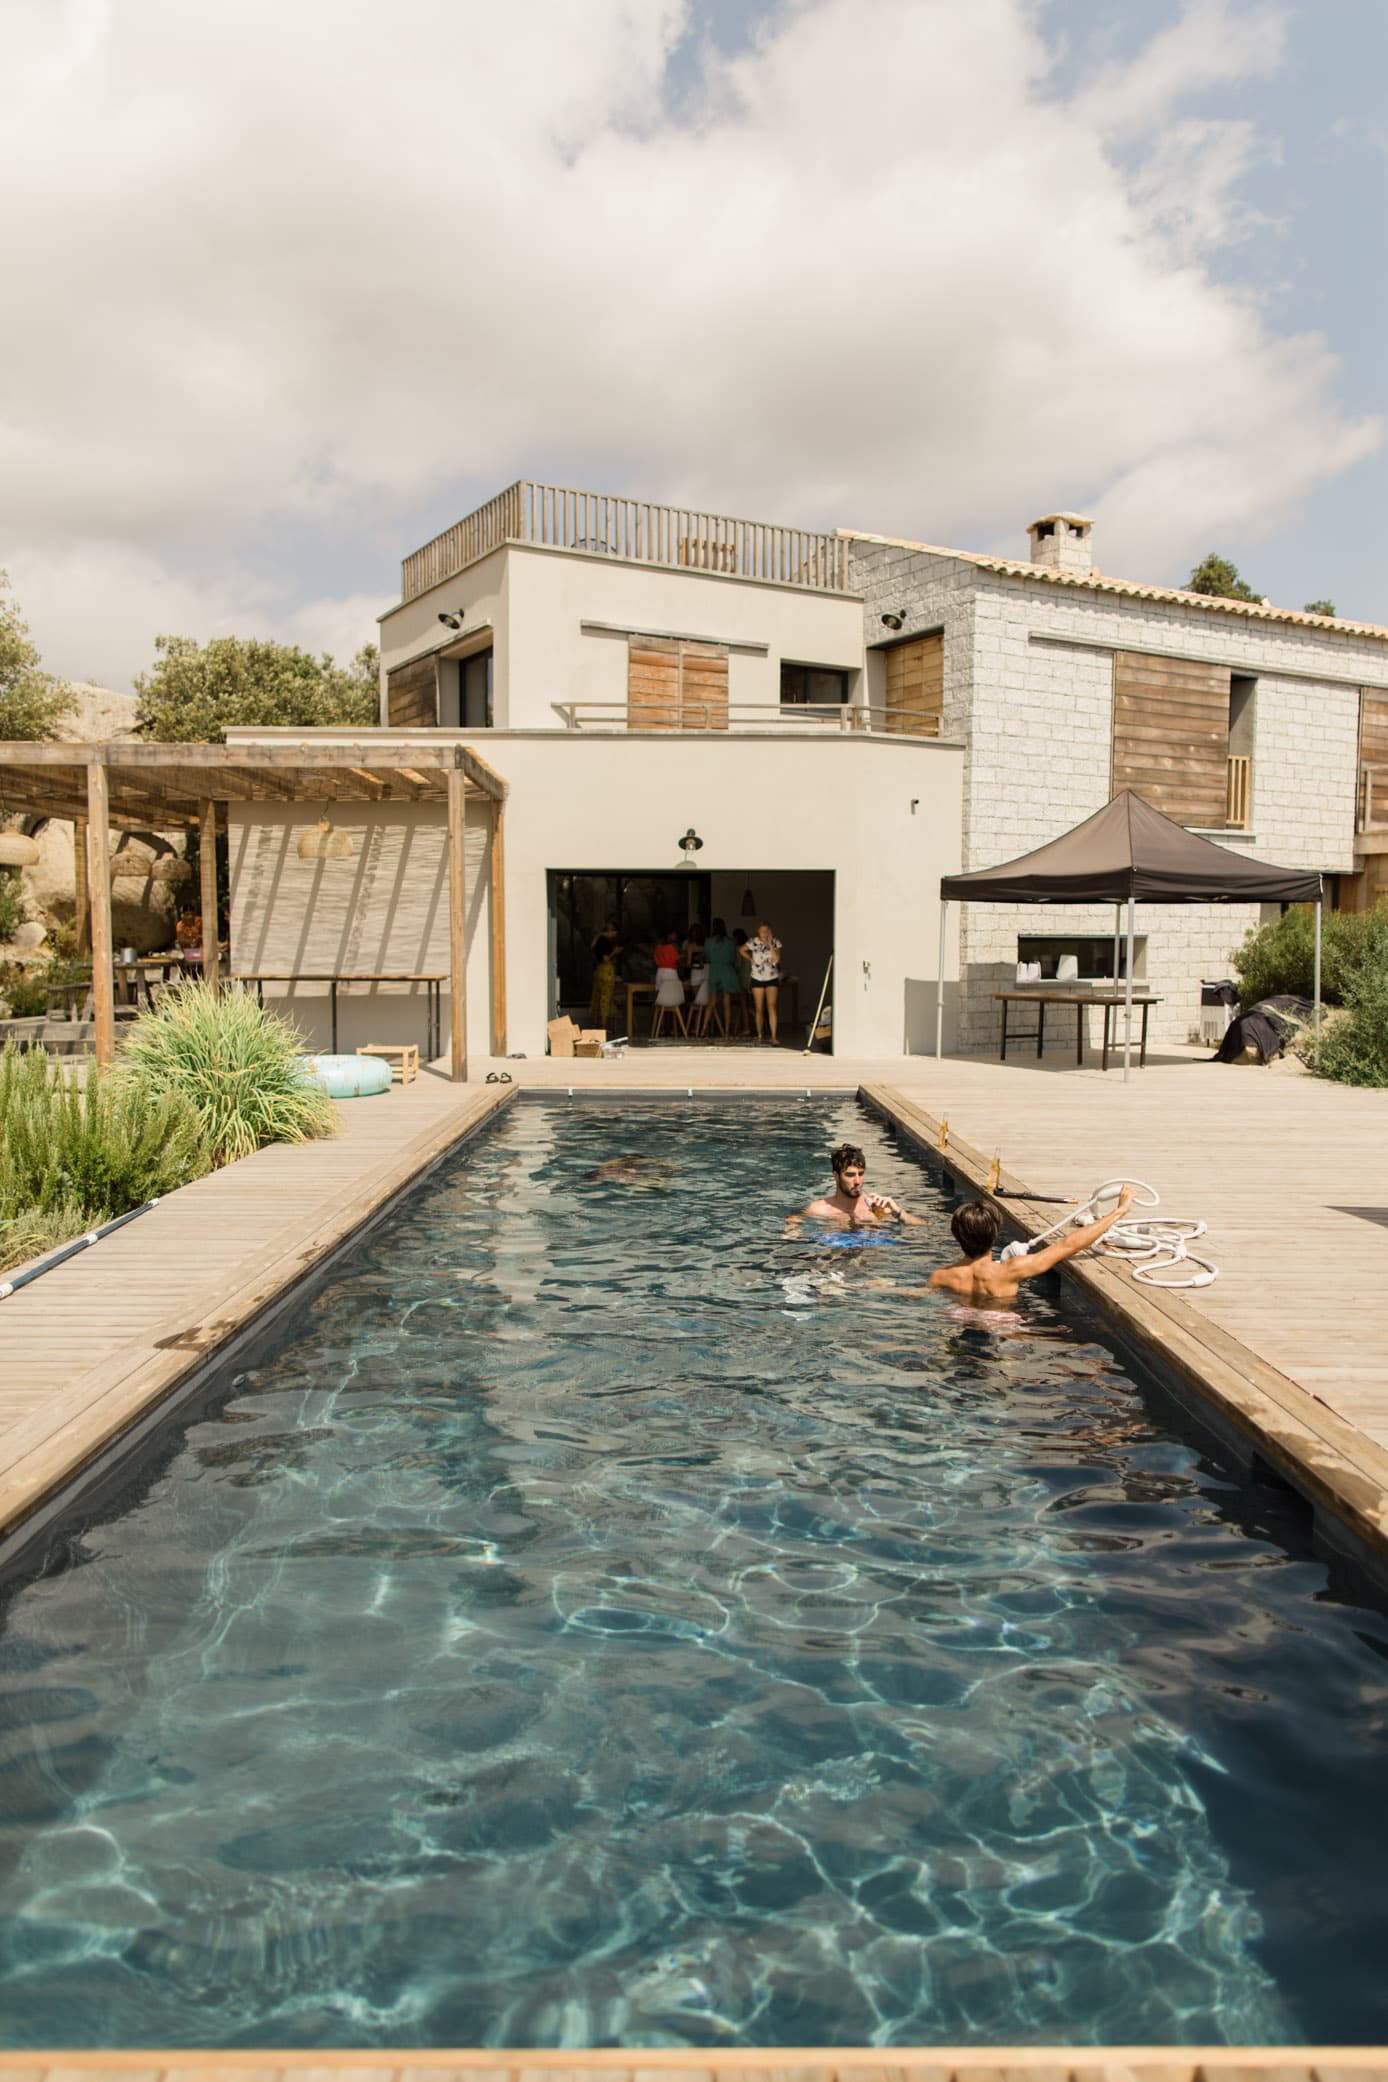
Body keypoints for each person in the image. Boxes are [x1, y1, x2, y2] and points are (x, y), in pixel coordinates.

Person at [928, 1186, 1136, 1302]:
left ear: (956, 1234)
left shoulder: (940, 1276)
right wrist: (1120, 1210)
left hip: (960, 1320)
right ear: (995, 1232)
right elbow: (1069, 1244)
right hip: (1002, 1327)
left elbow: (916, 1296)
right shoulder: (1012, 1270)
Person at [798, 1142, 922, 1226]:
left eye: (861, 1174)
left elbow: (923, 1227)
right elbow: (793, 1225)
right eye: (850, 1175)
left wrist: (897, 1211)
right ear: (836, 1176)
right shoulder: (819, 1209)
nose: (857, 1181)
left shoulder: (874, 1208)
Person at [745, 920, 784, 1043]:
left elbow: (777, 959)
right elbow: (741, 950)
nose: (764, 933)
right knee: (759, 1008)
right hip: (757, 977)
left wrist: (770, 944)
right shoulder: (752, 941)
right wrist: (751, 958)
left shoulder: (776, 942)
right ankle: (759, 1035)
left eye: (766, 930)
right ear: (758, 931)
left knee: (771, 1006)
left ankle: (773, 1037)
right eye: (762, 930)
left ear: (770, 931)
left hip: (772, 977)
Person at [703, 916, 742, 1037]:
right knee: (727, 1003)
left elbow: (707, 957)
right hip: (727, 971)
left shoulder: (708, 941)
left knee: (712, 1003)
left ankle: (702, 1030)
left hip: (714, 971)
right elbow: (733, 959)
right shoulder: (730, 942)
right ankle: (726, 1031)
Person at [588, 918, 621, 1026]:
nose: (614, 936)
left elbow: (592, 947)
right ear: (611, 931)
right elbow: (606, 958)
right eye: (614, 933)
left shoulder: (598, 939)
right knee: (605, 998)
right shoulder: (605, 941)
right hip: (606, 971)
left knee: (596, 997)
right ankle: (603, 1025)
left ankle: (594, 1023)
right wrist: (614, 952)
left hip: (598, 970)